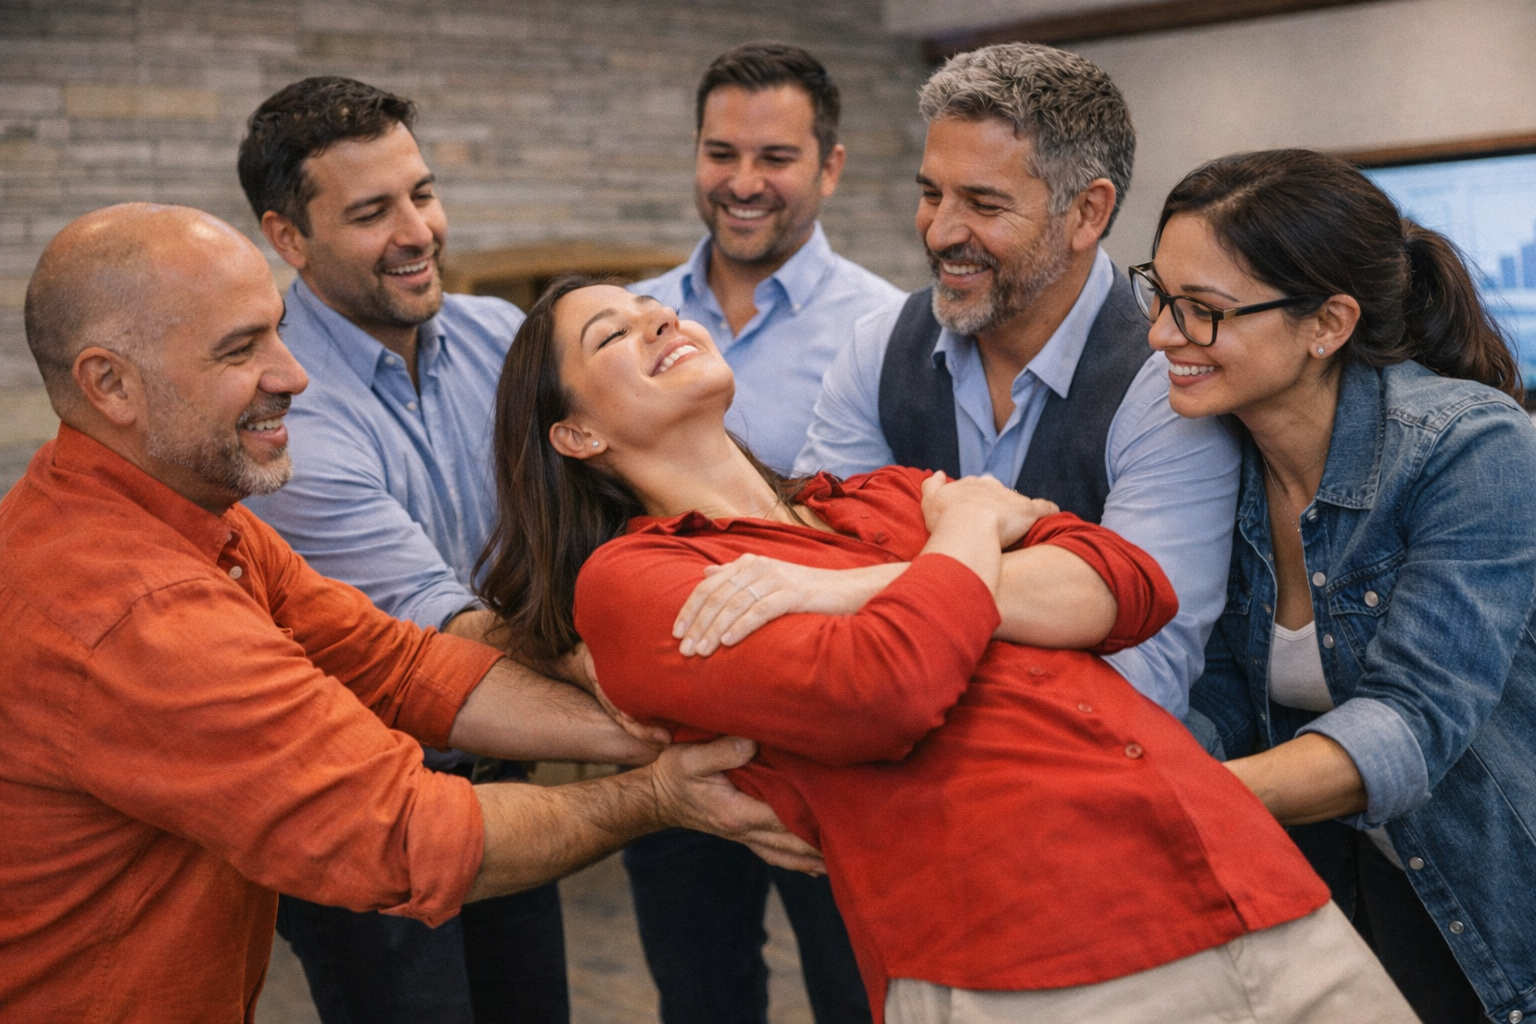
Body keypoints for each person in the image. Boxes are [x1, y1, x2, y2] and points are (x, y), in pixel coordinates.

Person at [476, 275, 1420, 1024]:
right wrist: (969, 526)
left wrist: (865, 585)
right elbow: (882, 688)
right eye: (611, 334)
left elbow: (1127, 586)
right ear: (577, 433)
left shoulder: (875, 498)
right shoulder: (636, 582)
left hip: (1242, 874)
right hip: (1027, 946)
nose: (659, 321)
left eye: (655, 309)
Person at [0, 204, 821, 1024]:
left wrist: (656, 732)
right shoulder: (133, 608)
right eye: (240, 350)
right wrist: (658, 796)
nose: (294, 375)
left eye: (277, 332)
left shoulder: (200, 519)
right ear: (110, 385)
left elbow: (397, 663)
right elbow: (399, 832)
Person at [1140, 149, 1536, 1024]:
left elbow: (1414, 719)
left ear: (1327, 323)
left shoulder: (1470, 447)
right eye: (1159, 296)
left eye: (1203, 310)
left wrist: (1181, 801)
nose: (1162, 335)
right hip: (1360, 886)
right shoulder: (1222, 461)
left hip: (1506, 886)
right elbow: (1226, 693)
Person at [234, 76, 570, 1024]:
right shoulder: (280, 407)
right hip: (360, 812)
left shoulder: (505, 340)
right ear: (288, 237)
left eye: (421, 194)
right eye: (371, 212)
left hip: (506, 782)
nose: (418, 231)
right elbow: (440, 631)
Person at [795, 42, 1239, 726]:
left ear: (1087, 213)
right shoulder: (877, 348)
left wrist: (907, 643)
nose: (940, 232)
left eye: (983, 203)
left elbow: (1145, 675)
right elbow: (812, 586)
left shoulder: (1167, 386)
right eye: (930, 194)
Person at [622, 43, 901, 1024]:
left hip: (834, 747)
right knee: (699, 994)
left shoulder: (887, 331)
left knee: (855, 994)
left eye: (776, 157)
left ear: (830, 166)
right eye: (721, 153)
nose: (743, 183)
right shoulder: (635, 326)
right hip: (673, 735)